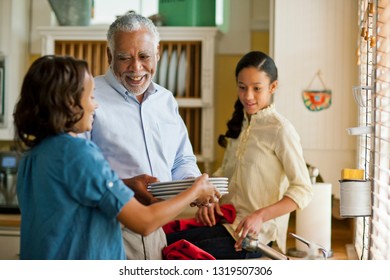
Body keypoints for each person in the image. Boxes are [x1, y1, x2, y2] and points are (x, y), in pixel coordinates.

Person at [13, 55, 219, 260]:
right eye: (91, 96)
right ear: (69, 102)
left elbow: (71, 199)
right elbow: (144, 222)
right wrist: (195, 191)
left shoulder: (31, 155)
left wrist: (128, 185)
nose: (96, 105)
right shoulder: (79, 153)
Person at [166, 51, 313, 259]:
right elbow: (225, 173)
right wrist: (210, 201)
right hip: (227, 223)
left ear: (273, 87)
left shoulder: (281, 130)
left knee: (170, 250)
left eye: (256, 88)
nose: (248, 96)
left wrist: (260, 216)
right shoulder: (242, 124)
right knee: (163, 238)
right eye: (242, 87)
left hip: (253, 238)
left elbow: (303, 189)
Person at [83, 12, 202, 259]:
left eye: (144, 56)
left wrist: (195, 186)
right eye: (124, 58)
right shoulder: (88, 98)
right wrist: (126, 186)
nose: (136, 68)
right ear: (109, 56)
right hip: (109, 231)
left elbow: (181, 160)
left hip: (157, 231)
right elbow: (81, 174)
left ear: (157, 53)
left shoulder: (166, 100)